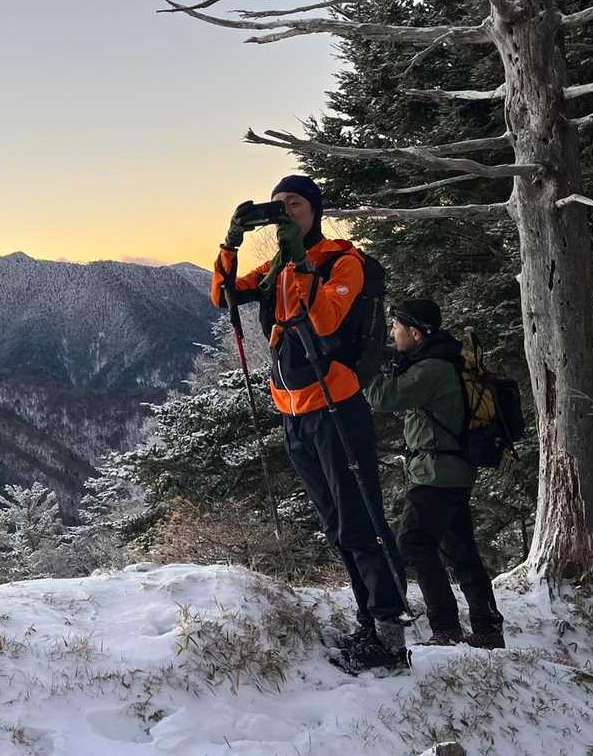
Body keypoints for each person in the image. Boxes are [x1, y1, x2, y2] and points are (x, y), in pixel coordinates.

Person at [211, 175, 410, 673]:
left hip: (337, 405)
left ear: (314, 210)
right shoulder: (274, 268)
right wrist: (230, 244)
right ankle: (368, 623)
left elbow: (324, 320)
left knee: (360, 519)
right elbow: (224, 296)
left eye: (294, 203)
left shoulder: (342, 261)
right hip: (294, 411)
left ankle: (390, 637)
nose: (284, 210)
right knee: (336, 523)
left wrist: (300, 263)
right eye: (277, 204)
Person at [365, 299, 505, 649]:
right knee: (460, 550)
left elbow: (384, 397)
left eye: (397, 327)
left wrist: (363, 368)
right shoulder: (445, 361)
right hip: (453, 471)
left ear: (415, 333)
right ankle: (487, 627)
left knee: (413, 542)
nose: (393, 332)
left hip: (436, 474)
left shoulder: (432, 369)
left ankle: (445, 628)